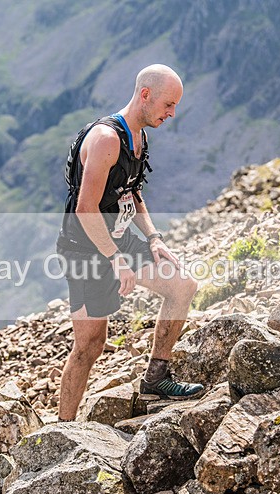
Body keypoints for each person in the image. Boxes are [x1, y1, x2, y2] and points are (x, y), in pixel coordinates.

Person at [56, 64, 203, 422]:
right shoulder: (107, 139)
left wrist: (153, 238)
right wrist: (116, 260)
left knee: (182, 286)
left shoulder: (140, 137)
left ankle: (156, 376)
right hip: (86, 249)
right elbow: (85, 207)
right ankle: (62, 427)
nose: (171, 114)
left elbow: (133, 192)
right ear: (145, 95)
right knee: (90, 346)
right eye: (168, 105)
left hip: (119, 238)